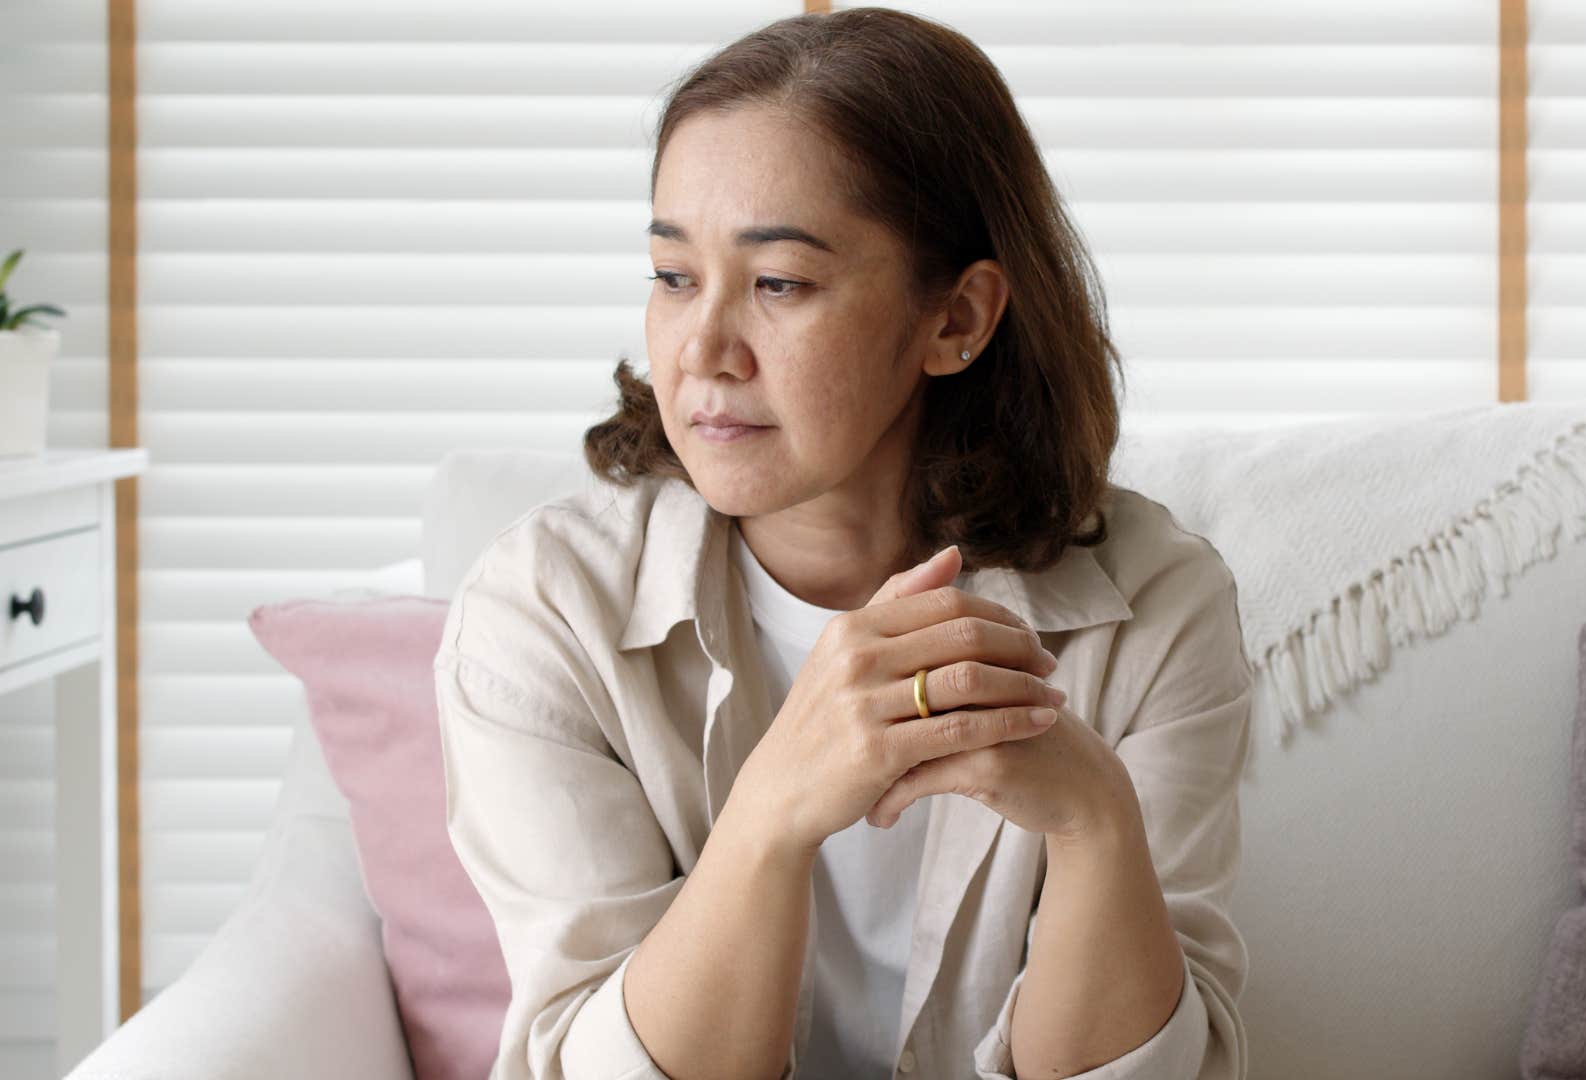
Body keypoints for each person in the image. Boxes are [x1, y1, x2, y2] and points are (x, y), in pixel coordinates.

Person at [433, 8, 1254, 1079]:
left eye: (779, 283)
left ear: (957, 319)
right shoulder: (541, 614)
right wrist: (775, 808)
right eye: (674, 276)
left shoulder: (1156, 607)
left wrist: (1096, 820)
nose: (704, 351)